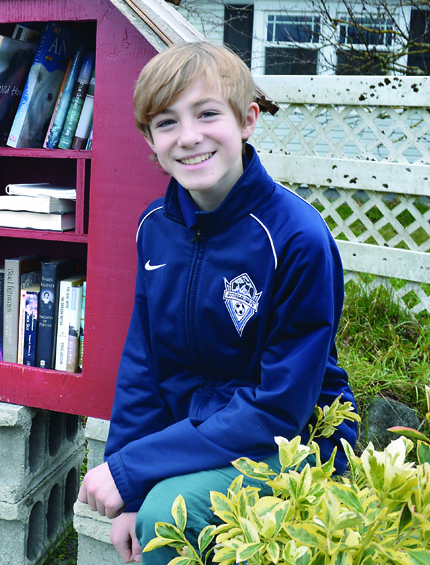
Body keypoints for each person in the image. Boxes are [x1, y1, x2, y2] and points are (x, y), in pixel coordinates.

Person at [77, 42, 358, 564]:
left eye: (207, 114)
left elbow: (281, 408)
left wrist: (138, 474)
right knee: (148, 507)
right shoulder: (154, 229)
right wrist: (125, 489)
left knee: (167, 514)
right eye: (166, 122)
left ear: (248, 120)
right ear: (149, 139)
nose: (189, 137)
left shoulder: (297, 237)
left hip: (295, 441)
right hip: (199, 432)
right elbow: (144, 365)